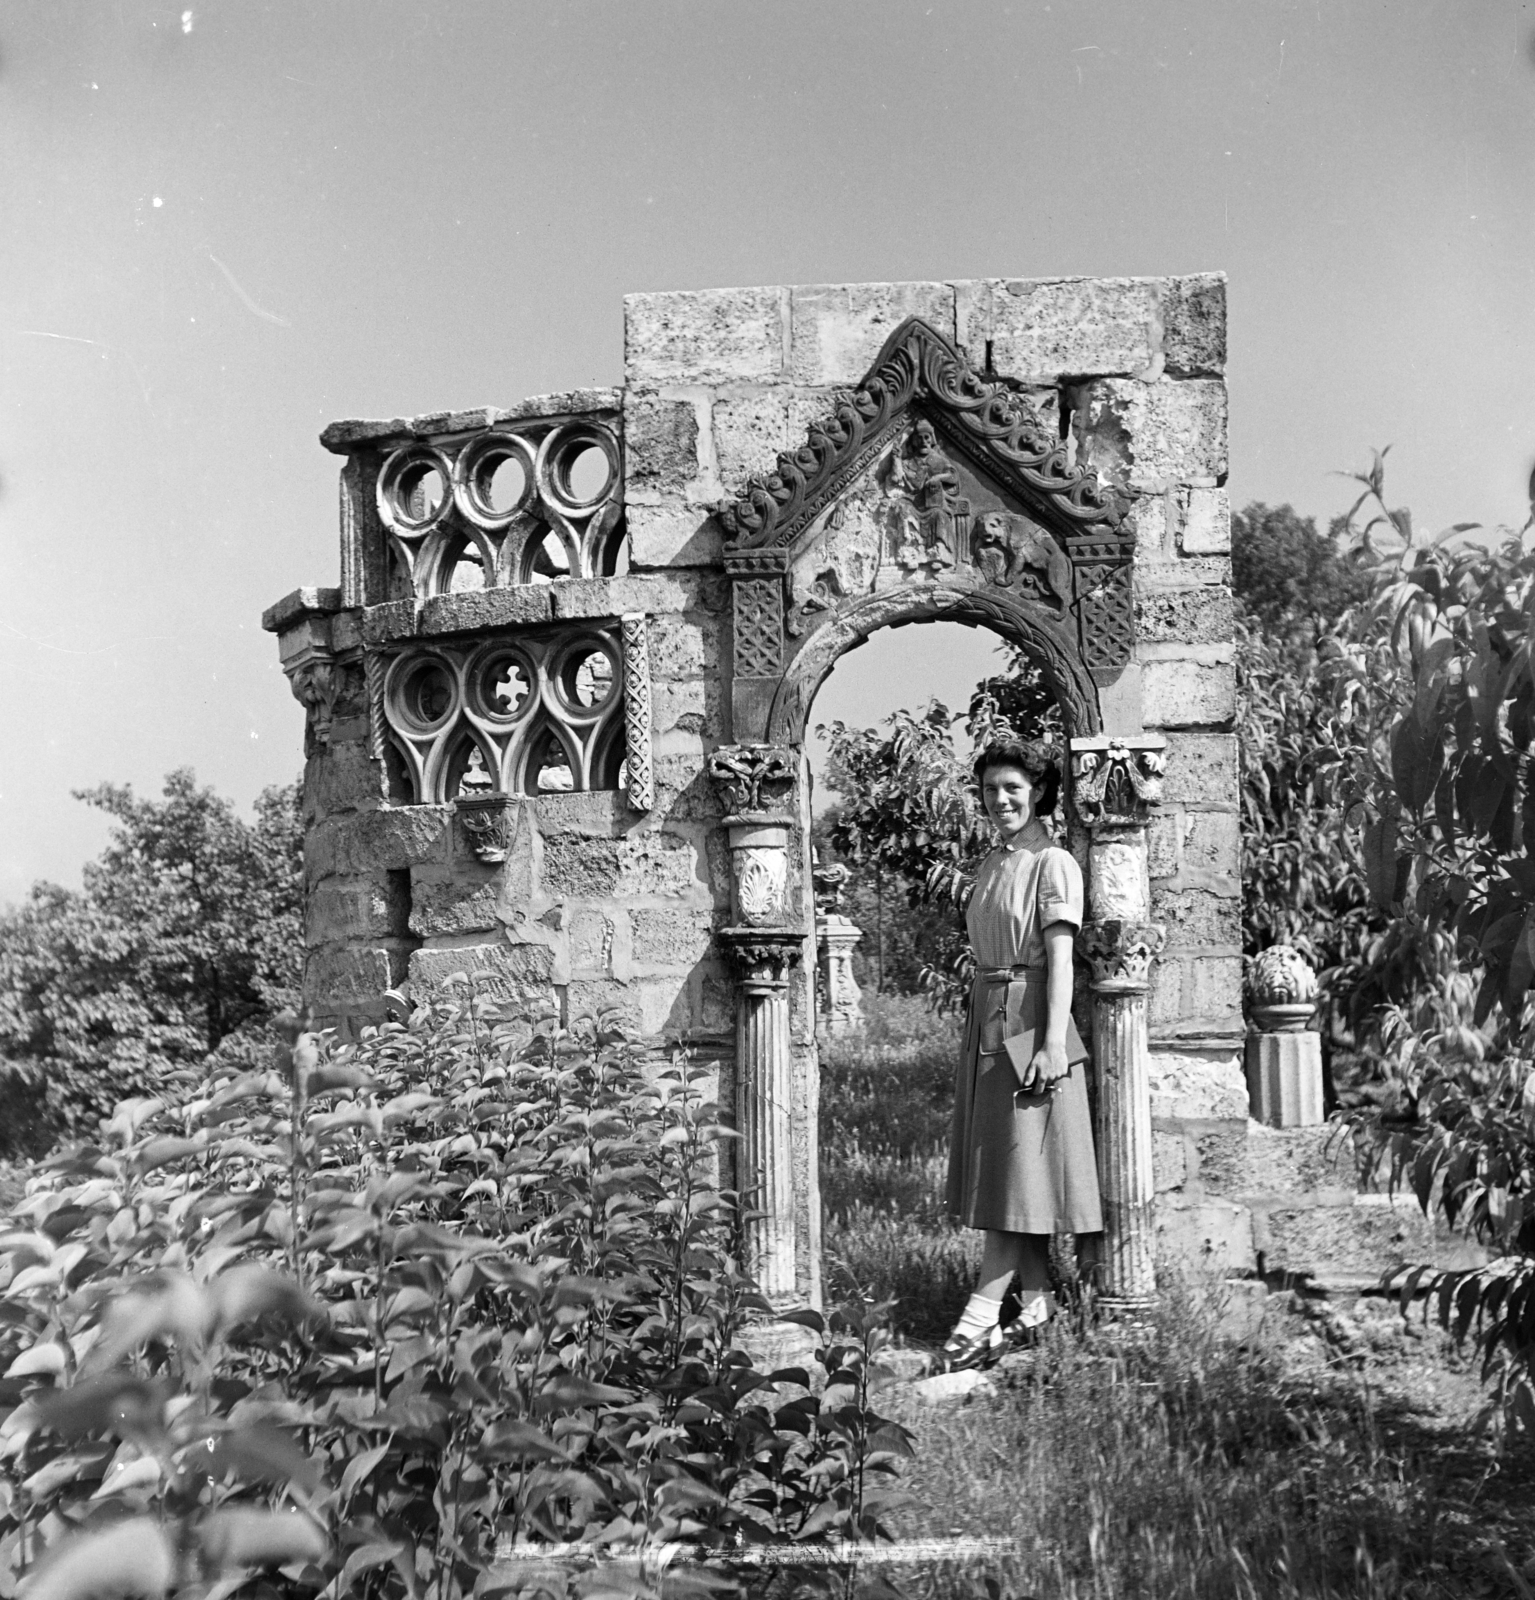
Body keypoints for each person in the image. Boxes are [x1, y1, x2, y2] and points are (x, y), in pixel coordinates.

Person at [941, 737, 1103, 1370]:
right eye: (989, 790)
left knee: (1017, 1169)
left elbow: (1061, 959)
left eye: (1012, 788)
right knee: (1015, 1175)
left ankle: (979, 1319)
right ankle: (1038, 1308)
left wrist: (1052, 1042)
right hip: (988, 1015)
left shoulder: (1052, 861)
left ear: (1038, 792)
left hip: (1032, 1017)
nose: (1000, 800)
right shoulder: (991, 864)